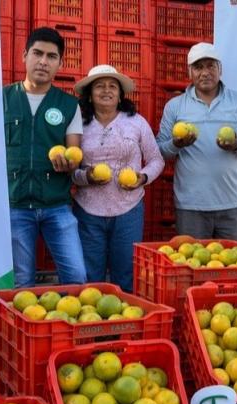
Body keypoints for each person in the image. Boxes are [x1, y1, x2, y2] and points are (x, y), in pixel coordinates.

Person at [3, 27, 87, 287]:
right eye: (37, 53)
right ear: (24, 55)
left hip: (56, 206)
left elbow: (74, 151)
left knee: (76, 278)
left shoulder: (68, 105)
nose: (43, 61)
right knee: (21, 283)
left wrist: (71, 163)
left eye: (51, 56)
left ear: (60, 63)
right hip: (14, 205)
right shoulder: (1, 99)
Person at [71, 65, 164, 292]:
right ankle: (94, 325)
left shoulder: (136, 122)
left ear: (121, 94)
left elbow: (156, 160)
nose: (106, 90)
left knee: (126, 276)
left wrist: (142, 178)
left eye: (112, 86)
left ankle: (123, 325)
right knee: (91, 278)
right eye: (99, 86)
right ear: (89, 95)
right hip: (88, 212)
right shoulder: (79, 125)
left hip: (128, 211)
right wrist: (86, 177)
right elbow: (71, 169)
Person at [156, 42, 237, 242]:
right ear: (190, 72)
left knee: (234, 269)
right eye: (198, 67)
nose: (205, 72)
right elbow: (161, 150)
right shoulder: (175, 106)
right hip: (190, 207)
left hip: (232, 205)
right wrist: (177, 144)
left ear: (220, 69)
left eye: (210, 66)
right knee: (192, 269)